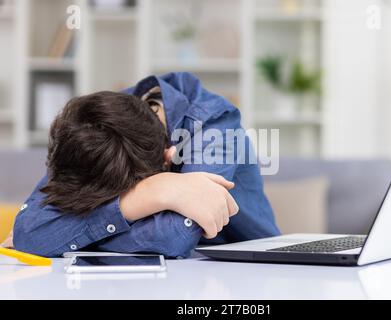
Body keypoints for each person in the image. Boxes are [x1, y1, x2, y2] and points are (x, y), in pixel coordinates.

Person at [11, 72, 280, 258]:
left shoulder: (213, 128)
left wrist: (68, 235)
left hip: (243, 274)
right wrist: (154, 193)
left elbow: (173, 239)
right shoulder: (93, 128)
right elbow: (30, 233)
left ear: (167, 158)